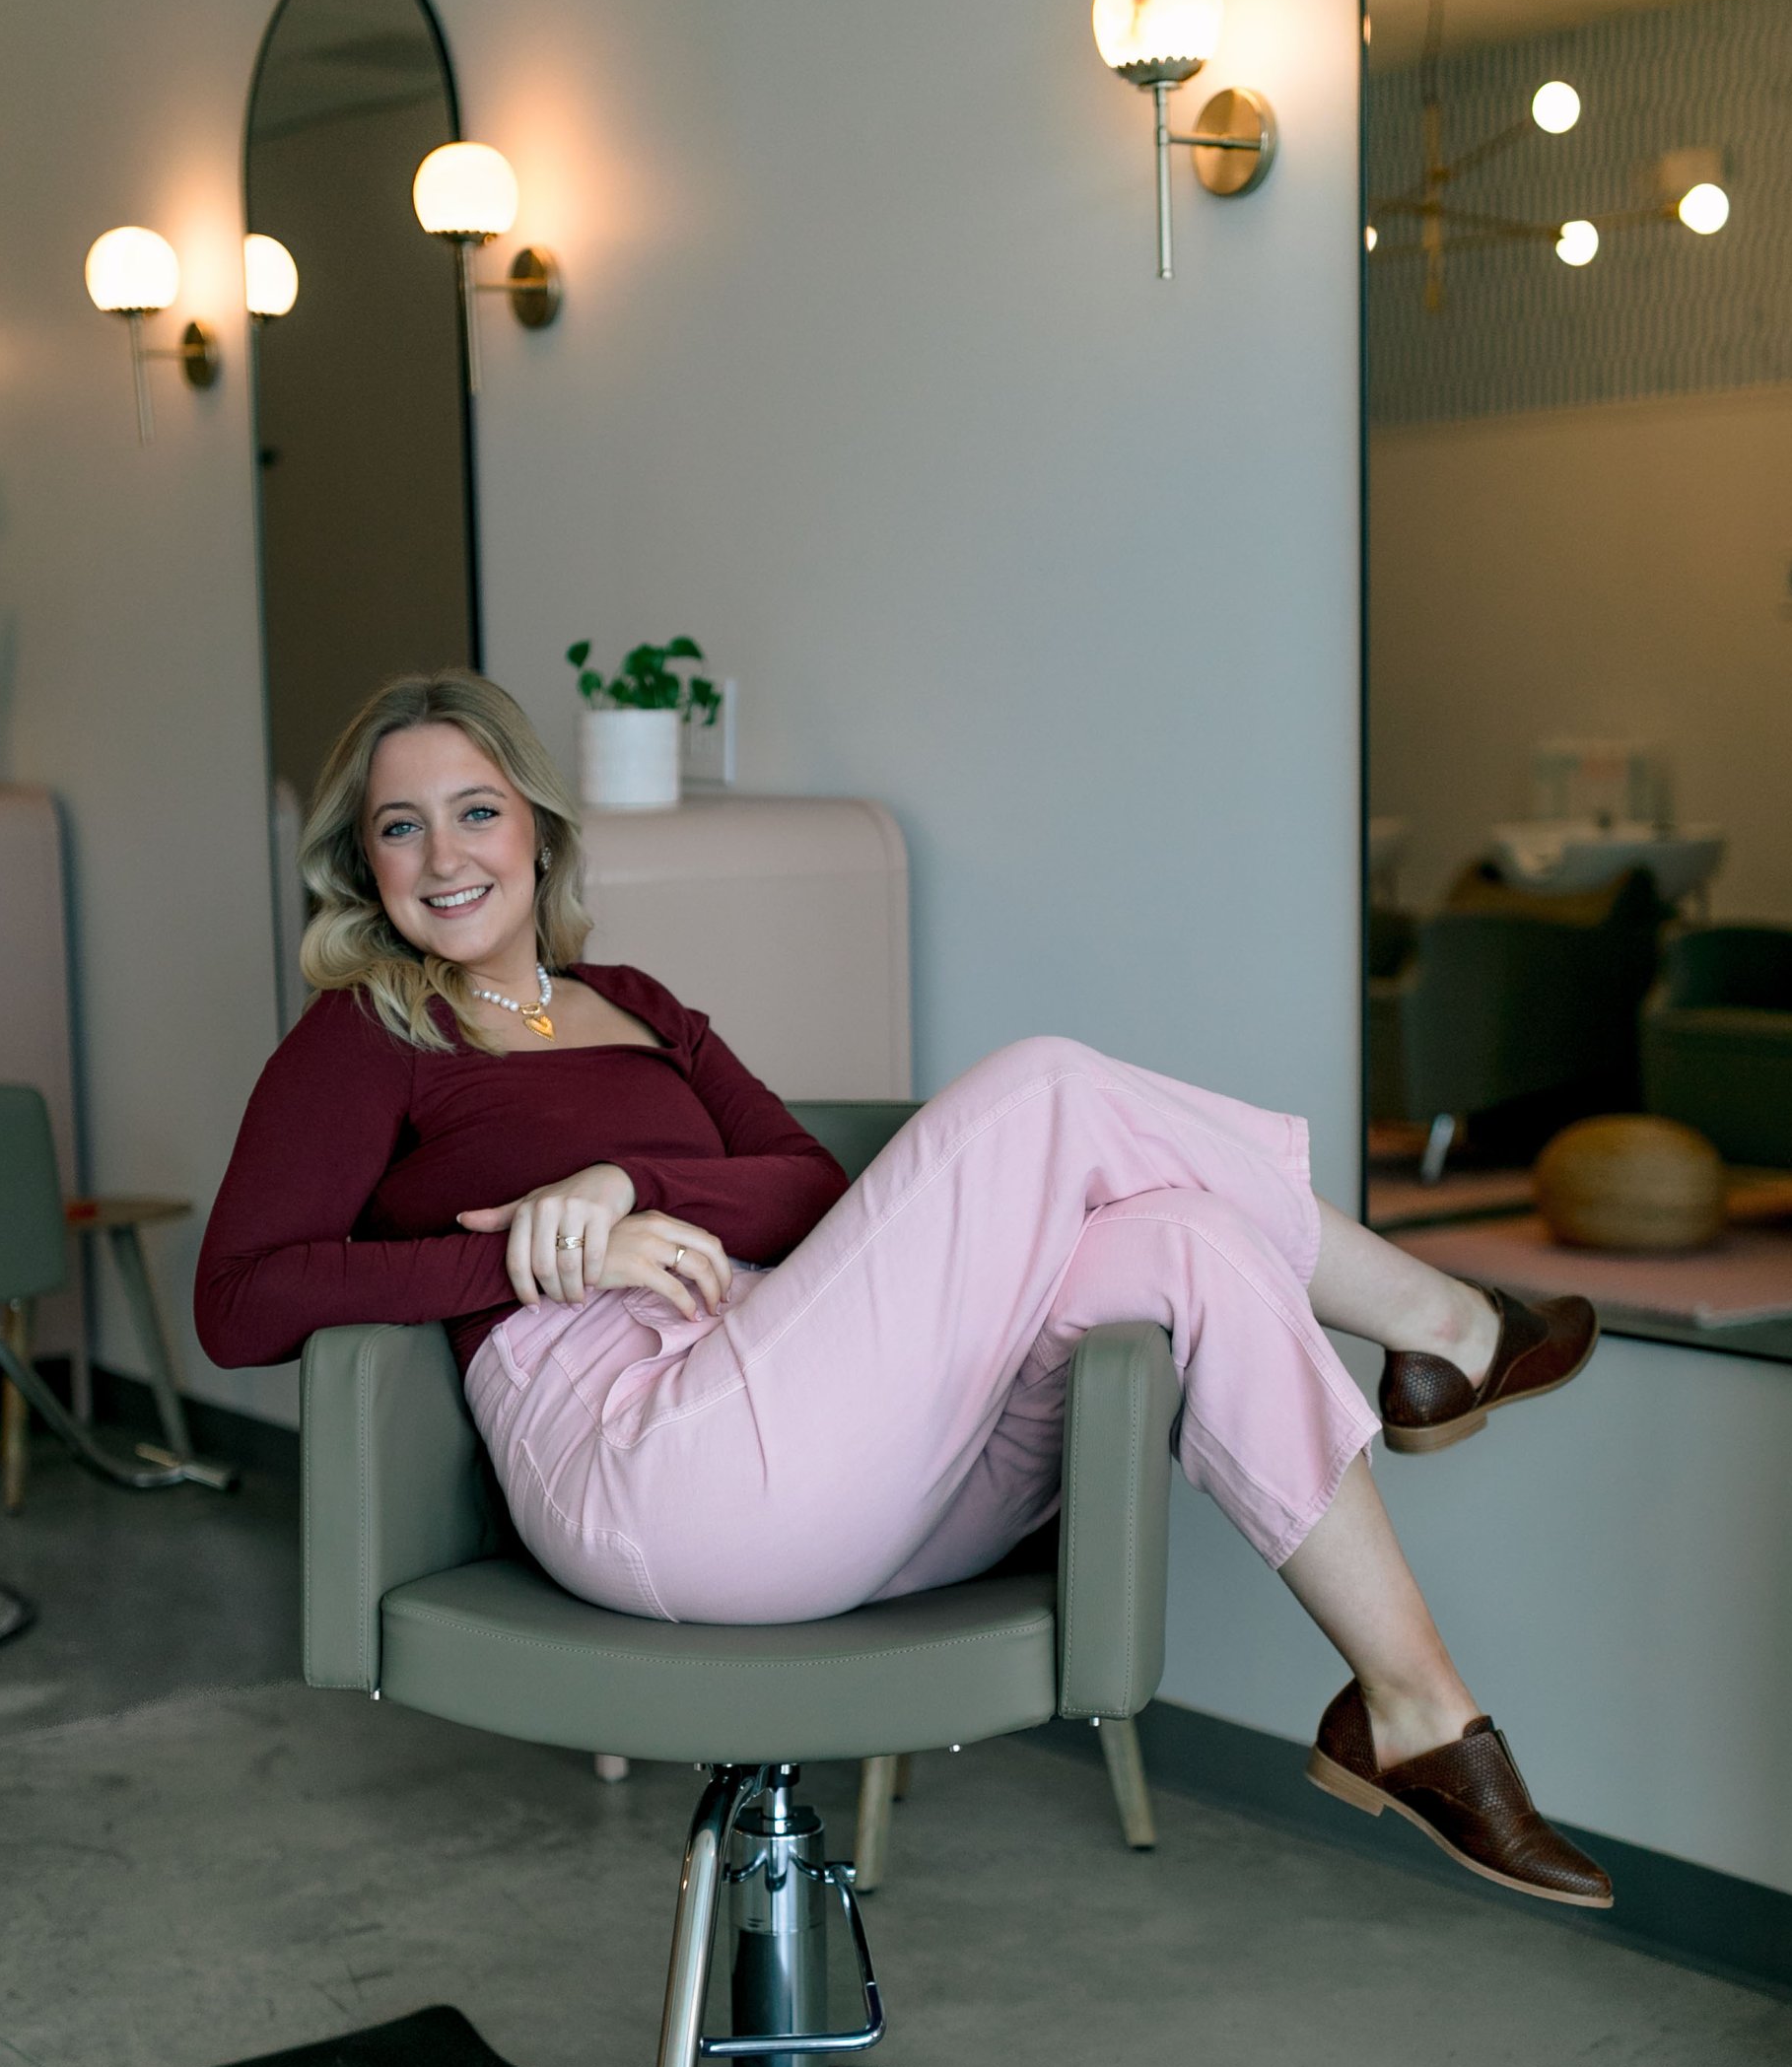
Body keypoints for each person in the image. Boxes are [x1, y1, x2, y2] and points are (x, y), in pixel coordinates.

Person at [198, 669, 1611, 1909]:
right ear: (362, 862)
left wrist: (632, 1186)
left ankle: (1417, 1708)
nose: (443, 855)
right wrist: (524, 1253)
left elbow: (815, 1190)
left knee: (1185, 1235)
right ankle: (1440, 1324)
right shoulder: (367, 1032)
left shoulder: (636, 998)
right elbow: (240, 1297)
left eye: (476, 809)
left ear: (540, 828)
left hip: (832, 1449)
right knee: (1050, 1082)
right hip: (658, 1470)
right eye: (401, 824)